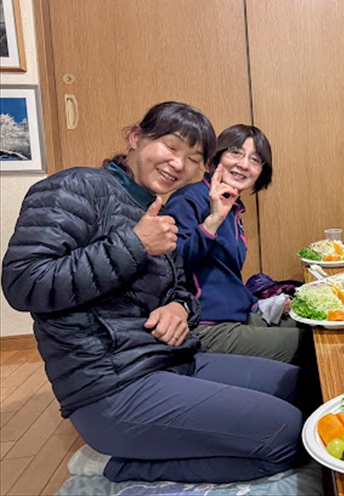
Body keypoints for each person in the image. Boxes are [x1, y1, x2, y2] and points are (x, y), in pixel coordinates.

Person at [1, 102, 304, 484]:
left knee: (305, 388)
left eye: (192, 158)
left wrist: (179, 307)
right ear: (135, 137)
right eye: (171, 147)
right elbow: (23, 283)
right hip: (111, 387)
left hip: (171, 361)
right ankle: (116, 466)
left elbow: (182, 288)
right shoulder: (76, 187)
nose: (179, 164)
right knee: (288, 436)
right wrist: (134, 244)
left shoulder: (155, 211)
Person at [163, 125, 320, 415]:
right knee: (314, 346)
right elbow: (174, 267)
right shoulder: (190, 199)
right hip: (204, 325)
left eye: (255, 159)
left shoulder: (232, 204)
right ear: (217, 156)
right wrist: (212, 221)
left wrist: (260, 304)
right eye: (236, 153)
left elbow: (223, 275)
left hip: (235, 315)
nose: (244, 164)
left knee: (318, 326)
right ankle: (306, 430)